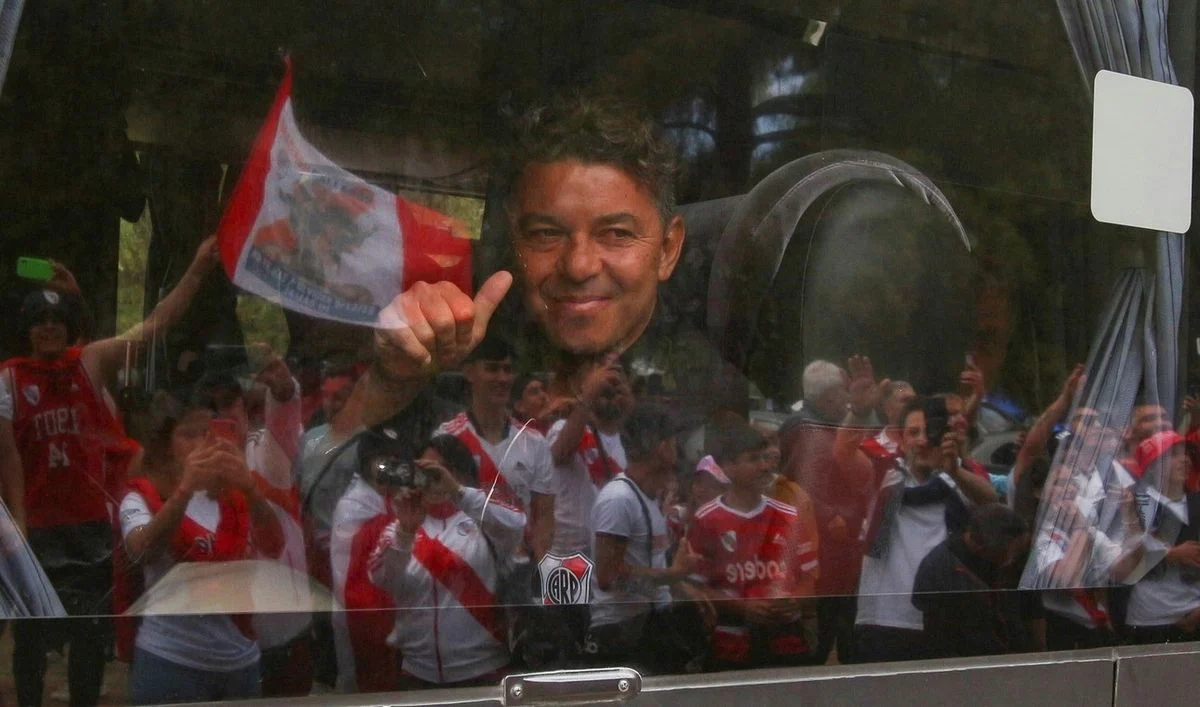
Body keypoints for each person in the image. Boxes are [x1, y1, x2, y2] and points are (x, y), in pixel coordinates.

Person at [1, 237, 218, 707]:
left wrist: (198, 269)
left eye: (57, 319)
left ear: (69, 327)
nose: (48, 327)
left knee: (89, 638)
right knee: (31, 640)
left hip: (89, 526)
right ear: (26, 329)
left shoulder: (88, 364)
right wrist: (17, 525)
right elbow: (8, 457)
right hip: (37, 527)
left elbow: (154, 325)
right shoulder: (10, 379)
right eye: (38, 320)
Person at [118, 391, 284, 704]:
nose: (201, 443)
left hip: (240, 661)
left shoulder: (235, 494)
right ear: (165, 445)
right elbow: (140, 550)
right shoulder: (142, 495)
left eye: (208, 432)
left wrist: (250, 489)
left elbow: (274, 545)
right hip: (171, 660)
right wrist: (184, 490)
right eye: (188, 435)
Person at [194, 359, 313, 698]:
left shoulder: (269, 452)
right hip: (225, 640)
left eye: (230, 403)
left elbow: (285, 419)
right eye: (213, 408)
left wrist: (284, 391)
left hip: (286, 629)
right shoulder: (190, 472)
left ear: (245, 408)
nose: (225, 415)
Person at [368, 434, 526, 687]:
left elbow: (517, 523)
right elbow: (382, 579)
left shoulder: (484, 524)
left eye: (438, 472)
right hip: (418, 674)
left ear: (459, 474)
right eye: (424, 471)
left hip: (485, 671)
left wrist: (457, 491)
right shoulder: (400, 528)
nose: (431, 480)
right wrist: (406, 532)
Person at [854, 396, 994, 663]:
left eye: (929, 432)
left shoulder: (957, 479)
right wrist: (859, 410)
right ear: (901, 438)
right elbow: (844, 455)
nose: (921, 441)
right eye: (913, 433)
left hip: (942, 618)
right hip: (884, 618)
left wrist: (954, 470)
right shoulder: (883, 472)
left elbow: (990, 503)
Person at [584, 402, 707, 674]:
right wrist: (673, 575)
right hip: (621, 635)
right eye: (673, 442)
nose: (677, 449)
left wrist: (681, 588)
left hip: (648, 627)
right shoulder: (619, 499)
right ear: (662, 448)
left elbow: (644, 563)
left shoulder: (647, 497)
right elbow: (608, 577)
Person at [688, 417, 820, 669]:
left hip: (786, 642)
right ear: (728, 467)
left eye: (764, 458)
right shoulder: (707, 519)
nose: (764, 466)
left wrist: (794, 600)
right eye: (753, 459)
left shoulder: (790, 516)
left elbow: (809, 580)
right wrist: (743, 608)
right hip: (731, 647)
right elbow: (697, 589)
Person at [436, 334, 555, 560]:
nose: (502, 378)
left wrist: (543, 568)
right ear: (469, 372)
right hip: (465, 567)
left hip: (519, 567)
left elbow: (544, 518)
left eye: (507, 370)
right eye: (492, 369)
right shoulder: (447, 438)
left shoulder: (535, 442)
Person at [911, 503, 1032, 658]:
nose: (1013, 560)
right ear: (989, 546)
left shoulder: (994, 561)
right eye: (1013, 552)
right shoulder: (941, 568)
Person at [547, 356, 633, 559]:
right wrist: (588, 397)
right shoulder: (563, 428)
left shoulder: (631, 445)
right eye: (602, 371)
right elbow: (559, 453)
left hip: (609, 560)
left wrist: (631, 408)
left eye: (617, 372)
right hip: (567, 560)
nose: (610, 381)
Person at [1125, 431, 1200, 644]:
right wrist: (1170, 554)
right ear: (1152, 466)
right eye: (1173, 454)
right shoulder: (1132, 506)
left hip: (1194, 612)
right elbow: (1121, 564)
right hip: (1148, 618)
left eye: (1186, 453)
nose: (1184, 459)